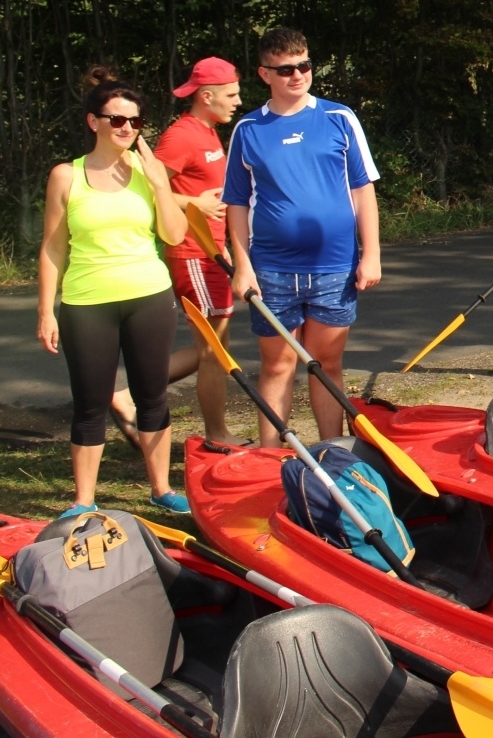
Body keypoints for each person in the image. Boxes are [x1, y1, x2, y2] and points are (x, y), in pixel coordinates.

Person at [36, 68, 189, 518]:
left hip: (149, 296)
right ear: (93, 122)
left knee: (153, 396)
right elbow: (52, 247)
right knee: (89, 402)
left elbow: (175, 235)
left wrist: (160, 181)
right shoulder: (67, 175)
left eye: (135, 121)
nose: (127, 128)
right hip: (86, 302)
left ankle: (160, 488)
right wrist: (46, 310)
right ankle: (83, 500)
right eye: (116, 119)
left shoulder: (147, 172)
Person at [223, 29, 381, 448]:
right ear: (265, 74)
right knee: (277, 366)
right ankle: (271, 457)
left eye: (305, 65)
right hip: (272, 269)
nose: (298, 75)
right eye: (286, 69)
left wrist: (372, 254)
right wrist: (242, 265)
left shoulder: (339, 118)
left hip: (335, 266)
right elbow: (236, 202)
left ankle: (335, 451)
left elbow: (363, 190)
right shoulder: (248, 129)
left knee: (327, 364)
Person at [154, 56, 248, 445]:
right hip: (193, 252)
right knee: (214, 353)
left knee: (213, 347)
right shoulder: (181, 135)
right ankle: (217, 435)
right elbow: (147, 188)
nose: (238, 101)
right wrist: (192, 204)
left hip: (212, 252)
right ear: (206, 96)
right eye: (231, 94)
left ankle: (127, 395)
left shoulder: (209, 132)